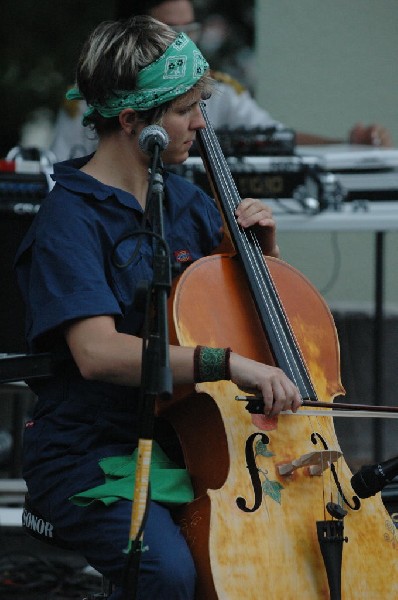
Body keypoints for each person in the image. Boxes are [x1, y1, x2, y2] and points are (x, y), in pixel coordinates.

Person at [14, 16, 301, 600]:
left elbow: (247, 326)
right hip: (90, 457)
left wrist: (262, 262)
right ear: (132, 122)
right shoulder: (69, 219)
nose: (201, 123)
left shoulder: (189, 202)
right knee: (168, 576)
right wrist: (229, 365)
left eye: (202, 105)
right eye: (184, 109)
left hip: (192, 442)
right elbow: (97, 354)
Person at [50, 0, 392, 162]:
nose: (186, 42)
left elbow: (272, 138)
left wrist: (346, 144)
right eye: (172, 32)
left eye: (191, 30)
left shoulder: (217, 90)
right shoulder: (90, 98)